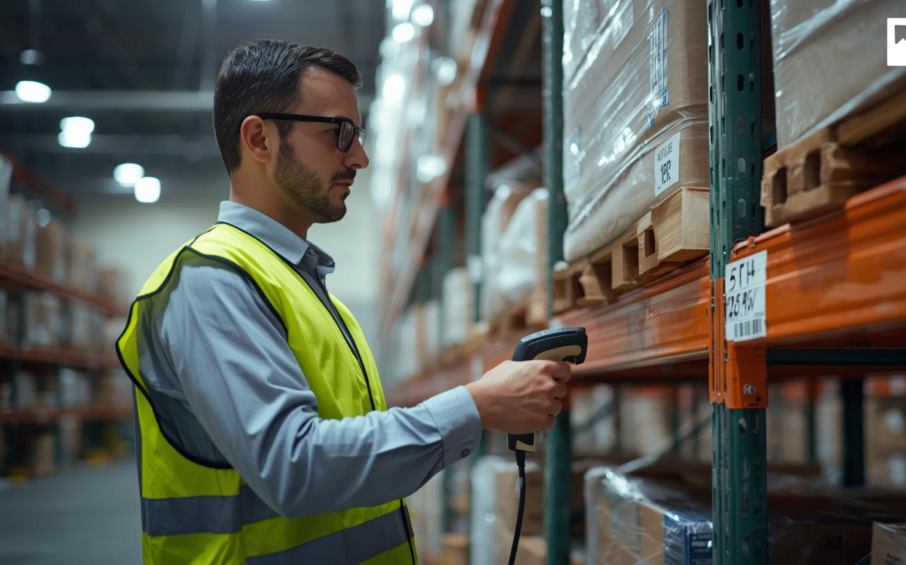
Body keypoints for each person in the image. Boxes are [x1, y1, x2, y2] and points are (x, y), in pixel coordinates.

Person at [116, 39, 571, 564]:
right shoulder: (210, 282)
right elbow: (295, 465)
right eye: (340, 133)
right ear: (259, 138)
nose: (360, 156)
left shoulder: (302, 287)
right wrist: (476, 406)